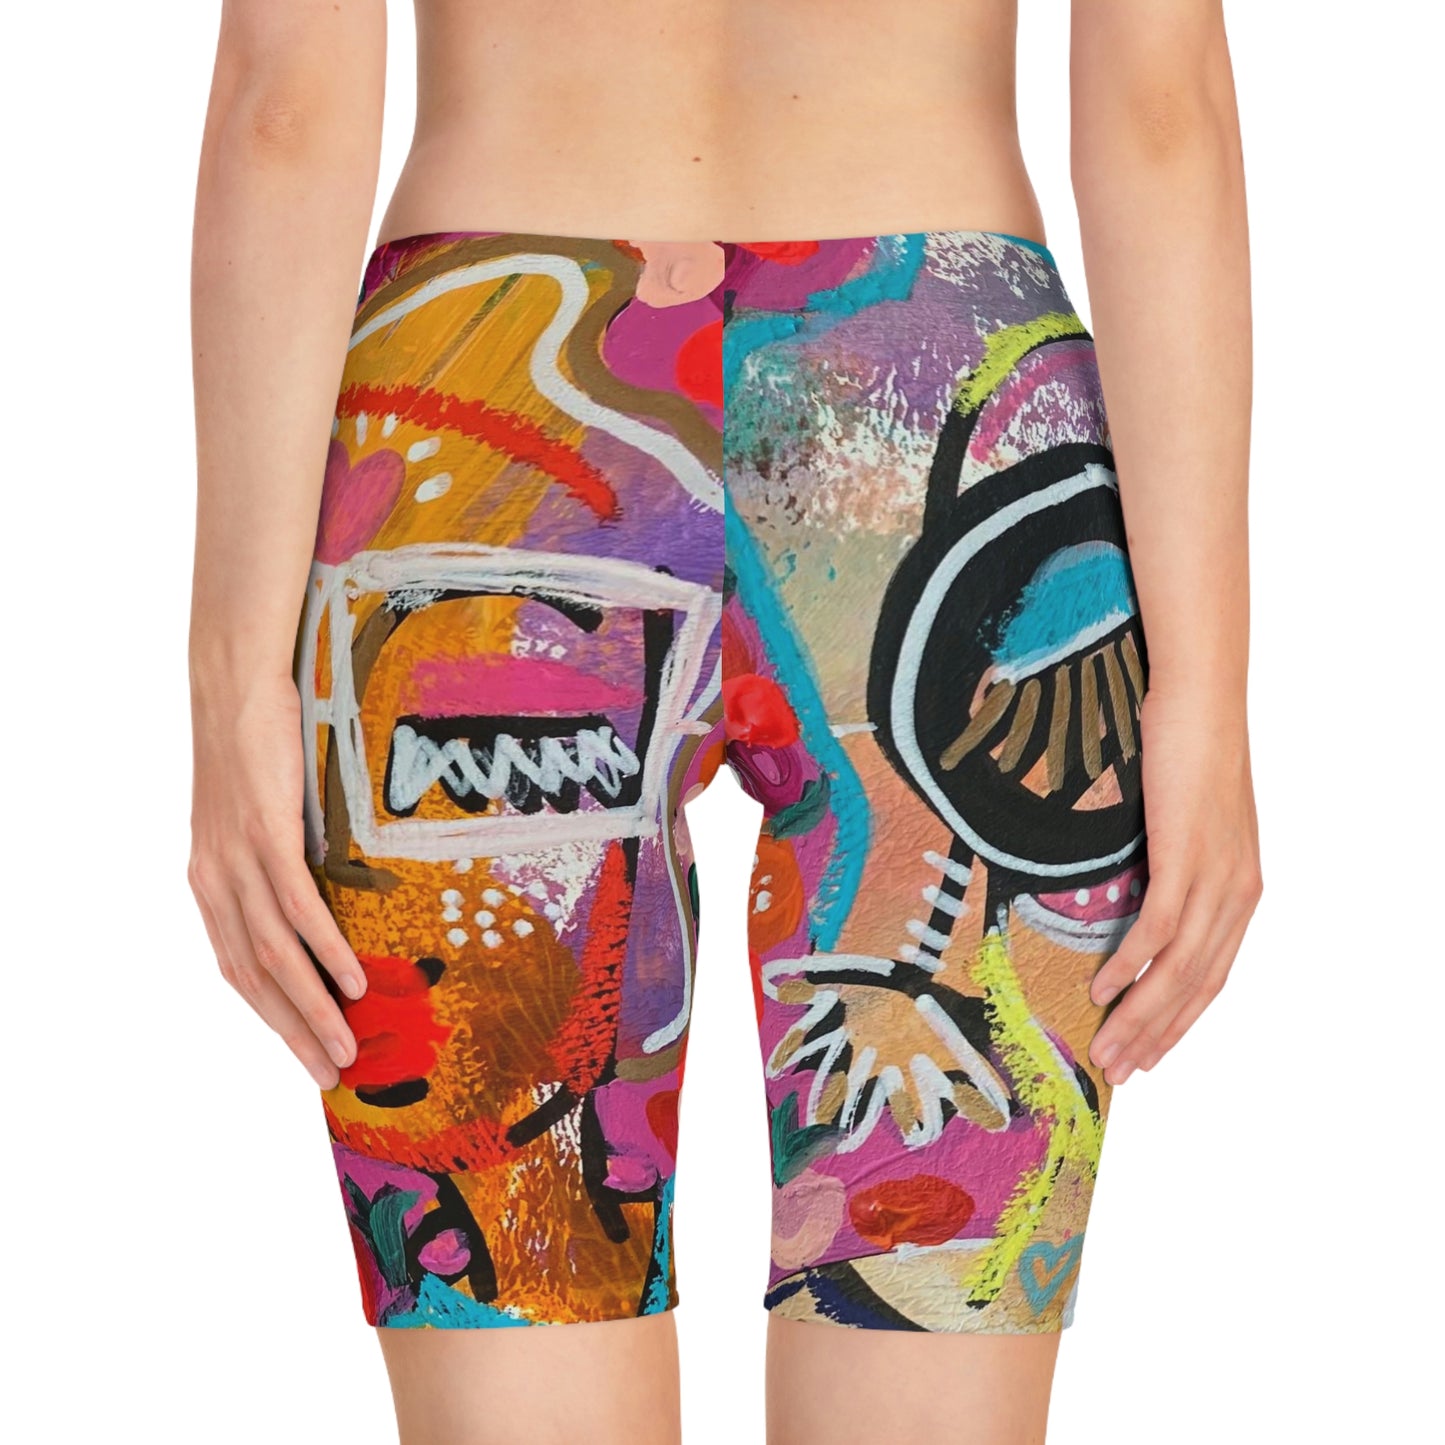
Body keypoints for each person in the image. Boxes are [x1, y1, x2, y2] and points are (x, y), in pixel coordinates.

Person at [186, 1, 1261, 1440]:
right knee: (928, 1290)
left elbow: (286, 104)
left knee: (510, 1277)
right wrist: (1203, 692)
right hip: (944, 430)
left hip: (492, 411)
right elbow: (1160, 109)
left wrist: (232, 674)